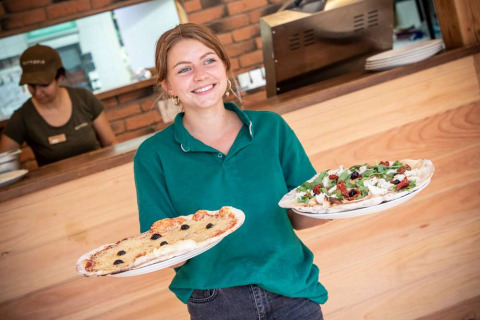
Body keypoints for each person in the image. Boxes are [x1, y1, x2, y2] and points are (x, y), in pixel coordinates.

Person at [134, 23, 329, 320]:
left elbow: (303, 216)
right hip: (217, 301)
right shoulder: (153, 155)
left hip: (290, 287)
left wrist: (335, 204)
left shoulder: (271, 128)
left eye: (209, 61)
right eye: (184, 69)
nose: (200, 75)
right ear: (168, 86)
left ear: (225, 67)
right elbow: (160, 245)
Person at [0, 44, 116, 166]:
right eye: (31, 85)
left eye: (44, 85)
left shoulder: (84, 99)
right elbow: (3, 164)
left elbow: (110, 144)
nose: (38, 93)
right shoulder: (22, 117)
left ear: (59, 77)